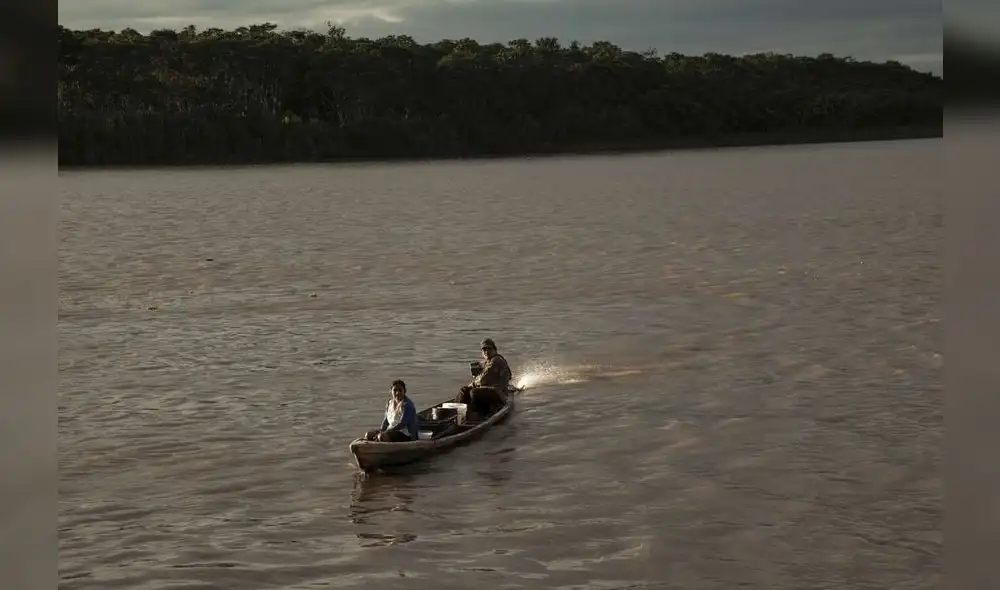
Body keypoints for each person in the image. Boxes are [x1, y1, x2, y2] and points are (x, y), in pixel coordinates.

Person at [456, 338, 512, 419]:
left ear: (495, 350)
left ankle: (479, 415)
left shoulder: (496, 360)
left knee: (474, 392)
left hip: (500, 394)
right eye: (484, 350)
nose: (486, 351)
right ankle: (457, 412)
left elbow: (483, 380)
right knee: (464, 390)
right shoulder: (487, 362)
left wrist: (473, 383)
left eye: (489, 349)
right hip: (489, 391)